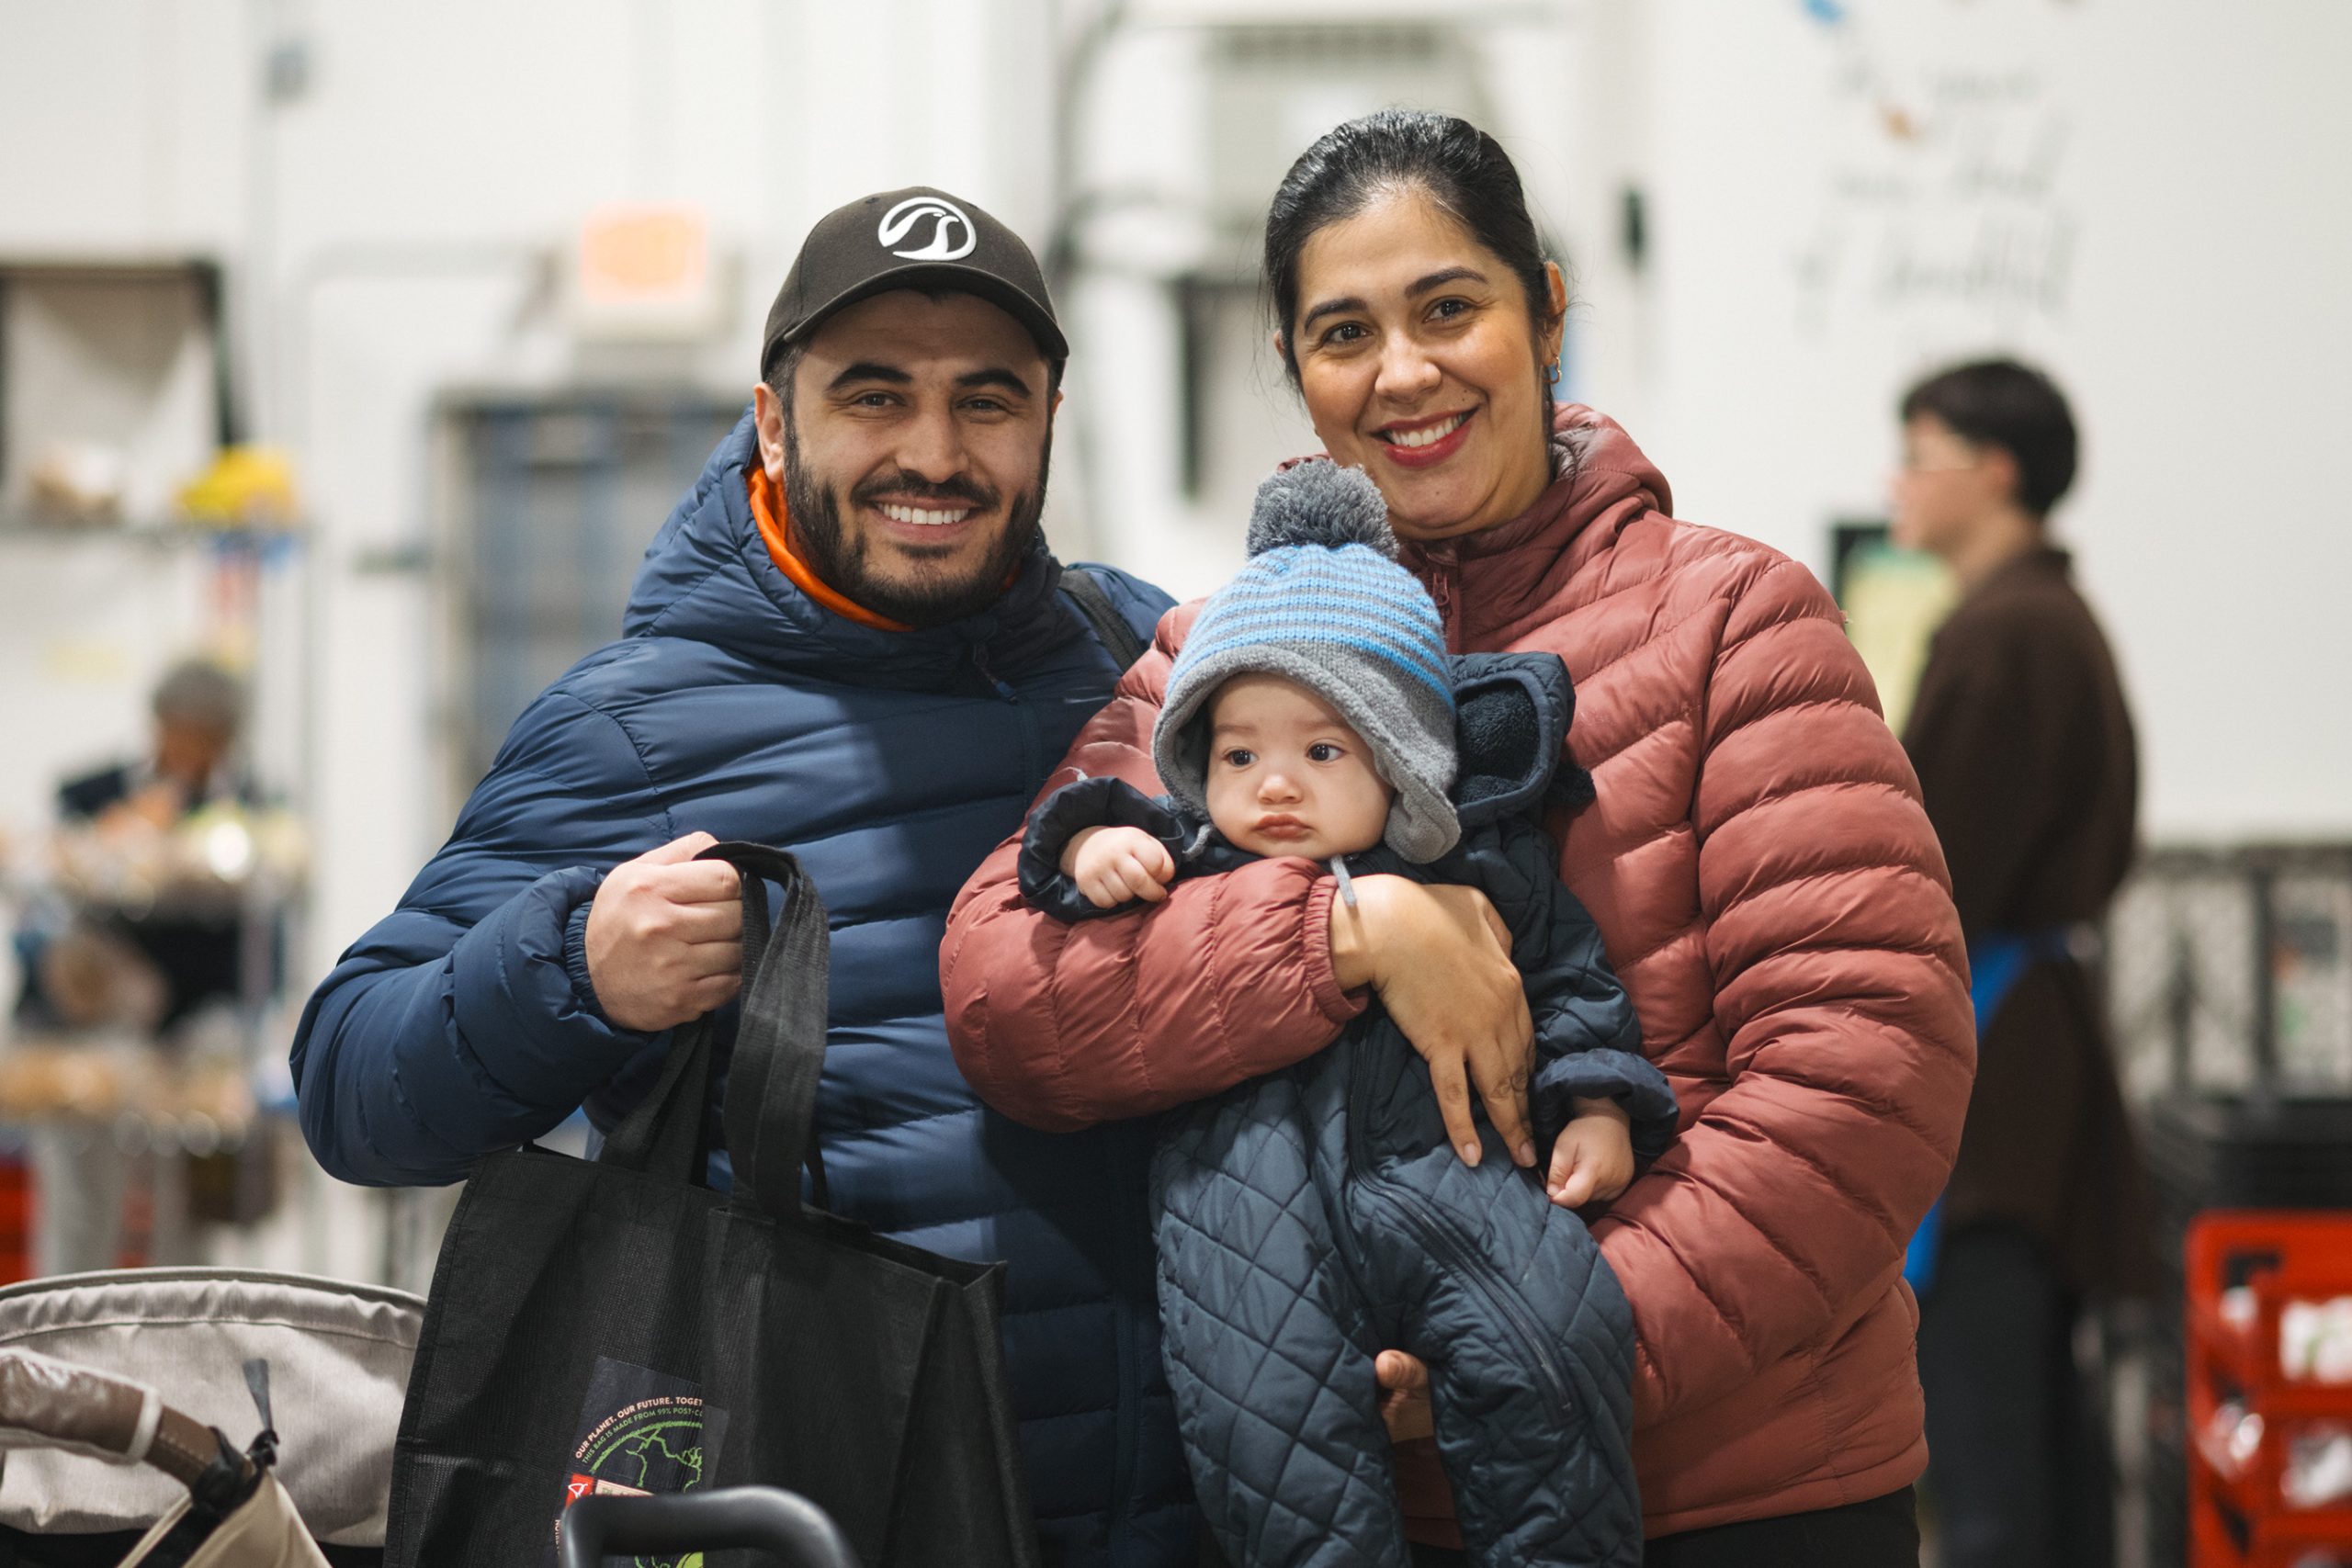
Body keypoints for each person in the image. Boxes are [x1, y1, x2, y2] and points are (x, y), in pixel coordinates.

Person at [944, 111, 1974, 1568]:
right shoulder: (1221, 662)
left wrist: (1532, 1342)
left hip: (1730, 1495)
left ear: (1546, 308)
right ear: (1298, 370)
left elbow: (1862, 1075)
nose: (1404, 371)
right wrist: (1340, 930)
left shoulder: (1734, 623)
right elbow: (1009, 995)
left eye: (1450, 307)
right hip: (1350, 1500)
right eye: (1344, 329)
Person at [288, 187, 1196, 1566]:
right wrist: (573, 965)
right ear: (774, 420)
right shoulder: (636, 727)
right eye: (874, 397)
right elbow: (352, 1084)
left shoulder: (1135, 654)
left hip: (1185, 1513)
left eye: (988, 401)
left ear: (1049, 421)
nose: (934, 454)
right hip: (831, 1508)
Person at [1021, 458, 1676, 1567]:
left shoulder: (1486, 870)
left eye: (1323, 751)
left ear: (1407, 768)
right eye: (1238, 754)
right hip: (1244, 1215)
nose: (1273, 785)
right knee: (1271, 1444)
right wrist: (1092, 848)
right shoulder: (1185, 858)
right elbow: (1064, 877)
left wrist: (1600, 1104)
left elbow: (1568, 984)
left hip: (1460, 1182)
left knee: (1558, 1351)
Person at [1891, 358, 2150, 1568]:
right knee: (2040, 1435)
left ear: (1992, 472)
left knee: (1996, 1454)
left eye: (1918, 450)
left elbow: (1933, 869)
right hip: (2028, 1052)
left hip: (1996, 1076)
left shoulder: (2008, 632)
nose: (1897, 481)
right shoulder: (2042, 617)